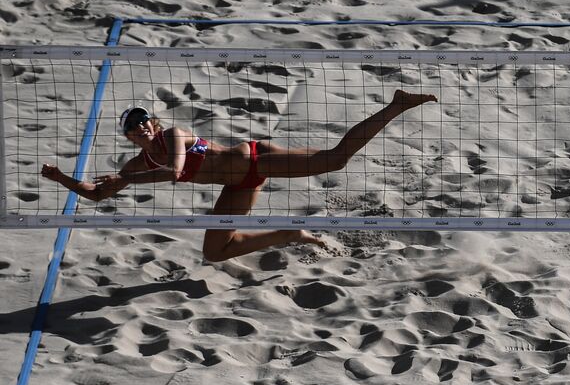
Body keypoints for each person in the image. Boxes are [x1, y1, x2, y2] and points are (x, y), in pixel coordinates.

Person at [40, 90, 435, 262]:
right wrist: (62, 179)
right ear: (129, 137)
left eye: (145, 120)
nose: (142, 127)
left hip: (257, 160)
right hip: (237, 184)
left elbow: (176, 171)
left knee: (335, 160)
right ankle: (292, 233)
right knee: (215, 252)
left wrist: (128, 180)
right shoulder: (136, 166)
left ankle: (397, 105)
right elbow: (94, 195)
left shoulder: (174, 135)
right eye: (134, 126)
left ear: (153, 123)